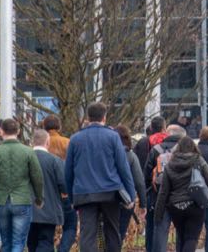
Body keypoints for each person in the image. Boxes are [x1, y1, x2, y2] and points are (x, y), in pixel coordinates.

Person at [63, 102, 136, 252]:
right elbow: (123, 168)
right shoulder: (113, 137)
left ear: (88, 117)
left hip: (84, 193)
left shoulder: (75, 139)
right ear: (104, 117)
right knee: (112, 233)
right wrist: (131, 195)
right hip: (110, 192)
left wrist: (71, 197)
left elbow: (68, 171)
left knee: (87, 234)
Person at [0, 118, 44, 252]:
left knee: (5, 241)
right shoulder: (28, 152)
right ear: (19, 131)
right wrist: (39, 198)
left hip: (1, 200)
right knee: (18, 241)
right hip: (22, 199)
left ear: (1, 131)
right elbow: (37, 178)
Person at [155, 136, 208, 252]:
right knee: (191, 238)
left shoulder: (170, 164)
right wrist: (205, 198)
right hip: (195, 205)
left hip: (176, 207)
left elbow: (163, 192)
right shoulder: (198, 160)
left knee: (182, 237)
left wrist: (158, 214)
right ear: (193, 147)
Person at [148, 125, 188, 252]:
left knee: (160, 229)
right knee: (182, 230)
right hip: (182, 196)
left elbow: (147, 174)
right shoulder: (187, 151)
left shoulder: (156, 149)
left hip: (161, 195)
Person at [41, 118, 76, 252]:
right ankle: (63, 249)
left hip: (46, 193)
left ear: (44, 127)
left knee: (46, 230)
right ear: (59, 127)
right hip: (65, 192)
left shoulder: (42, 144)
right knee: (70, 225)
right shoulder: (67, 142)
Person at [30, 129, 67, 252]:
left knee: (31, 243)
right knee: (45, 242)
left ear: (32, 142)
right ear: (47, 142)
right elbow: (64, 185)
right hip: (49, 209)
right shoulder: (55, 161)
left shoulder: (24, 159)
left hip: (27, 209)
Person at [115, 125, 148, 242]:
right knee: (120, 231)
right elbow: (139, 181)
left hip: (105, 197)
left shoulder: (106, 155)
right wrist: (143, 204)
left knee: (107, 231)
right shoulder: (131, 156)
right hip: (125, 199)